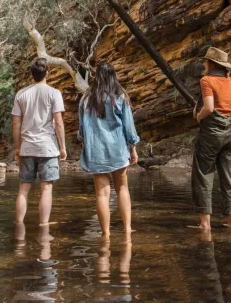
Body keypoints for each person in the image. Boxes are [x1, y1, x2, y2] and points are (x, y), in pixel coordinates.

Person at [78, 62, 140, 239]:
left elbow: (82, 130)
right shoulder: (120, 96)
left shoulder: (86, 99)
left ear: (96, 76)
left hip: (96, 152)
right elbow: (129, 126)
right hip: (118, 150)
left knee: (101, 194)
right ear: (114, 76)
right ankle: (127, 230)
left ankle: (105, 234)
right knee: (122, 189)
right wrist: (133, 148)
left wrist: (85, 145)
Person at [192, 47, 231, 234]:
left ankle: (205, 224)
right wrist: (228, 113)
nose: (204, 64)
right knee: (229, 176)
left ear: (212, 64)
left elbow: (208, 107)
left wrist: (199, 117)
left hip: (210, 133)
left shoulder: (207, 80)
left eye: (206, 62)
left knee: (203, 175)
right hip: (230, 133)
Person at [12, 58, 67, 226]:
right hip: (48, 148)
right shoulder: (54, 93)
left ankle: (19, 225)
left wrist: (17, 148)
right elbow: (58, 122)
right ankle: (43, 225)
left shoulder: (21, 93)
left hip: (27, 147)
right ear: (47, 73)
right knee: (46, 188)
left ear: (32, 74)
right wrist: (63, 147)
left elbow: (16, 123)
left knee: (23, 188)